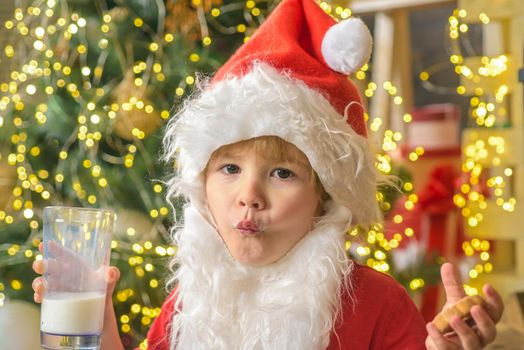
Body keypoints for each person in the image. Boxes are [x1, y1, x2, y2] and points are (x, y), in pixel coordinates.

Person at [32, 0, 504, 348]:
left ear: (326, 196)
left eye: (282, 173)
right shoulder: (189, 303)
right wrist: (98, 317)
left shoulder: (376, 303)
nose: (249, 195)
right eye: (230, 168)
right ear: (202, 185)